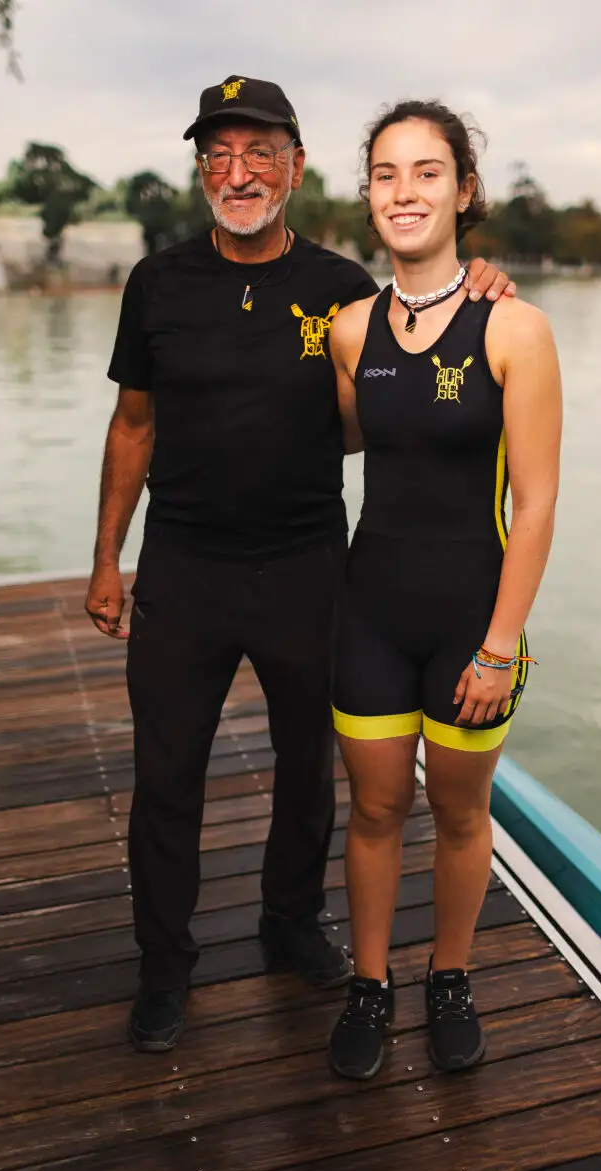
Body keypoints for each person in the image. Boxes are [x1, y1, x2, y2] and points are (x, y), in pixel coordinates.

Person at [85, 75, 515, 1053]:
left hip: (308, 564)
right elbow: (132, 423)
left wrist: (480, 282)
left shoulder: (340, 291)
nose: (238, 173)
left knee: (308, 768)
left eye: (259, 153)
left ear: (295, 166)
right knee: (165, 776)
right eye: (219, 155)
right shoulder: (156, 282)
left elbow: (416, 350)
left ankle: (289, 920)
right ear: (201, 169)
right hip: (184, 567)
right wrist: (107, 557)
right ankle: (165, 965)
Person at [327, 100, 562, 1080]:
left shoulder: (515, 327)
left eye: (427, 172)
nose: (403, 191)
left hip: (472, 617)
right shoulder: (345, 329)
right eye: (385, 173)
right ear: (368, 193)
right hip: (368, 609)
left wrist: (500, 641)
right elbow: (335, 440)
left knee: (462, 810)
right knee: (374, 809)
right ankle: (370, 983)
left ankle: (450, 973)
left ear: (463, 190)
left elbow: (537, 499)